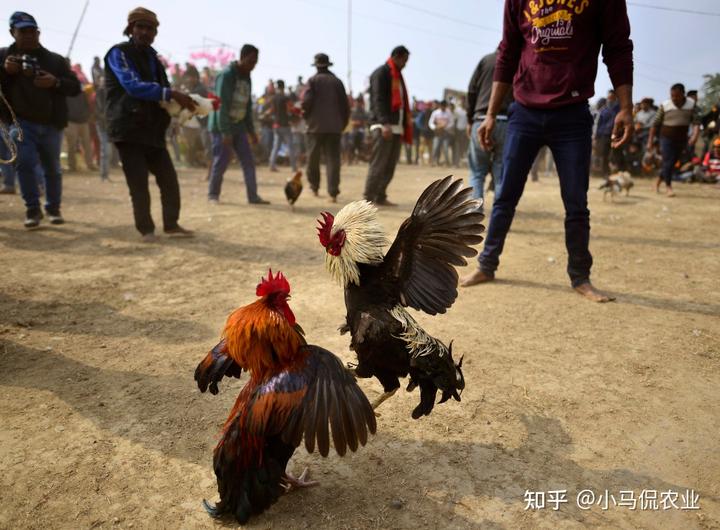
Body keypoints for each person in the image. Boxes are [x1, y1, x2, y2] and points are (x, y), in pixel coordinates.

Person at [461, 0, 634, 303]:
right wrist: (490, 113)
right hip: (524, 113)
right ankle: (486, 265)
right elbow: (509, 50)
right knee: (505, 197)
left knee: (576, 203)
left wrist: (626, 107)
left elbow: (618, 48)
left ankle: (580, 277)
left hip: (572, 114)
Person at [105, 7, 196, 241]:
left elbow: (164, 94)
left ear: (155, 33)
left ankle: (171, 225)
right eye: (140, 27)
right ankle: (146, 230)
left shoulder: (154, 59)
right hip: (127, 128)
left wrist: (180, 107)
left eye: (150, 28)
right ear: (131, 29)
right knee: (139, 184)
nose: (145, 32)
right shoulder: (118, 53)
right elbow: (132, 86)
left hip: (152, 130)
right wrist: (171, 94)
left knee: (169, 180)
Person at [0, 11, 81, 228]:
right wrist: (5, 71)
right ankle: (32, 209)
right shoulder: (3, 56)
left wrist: (55, 82)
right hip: (20, 123)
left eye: (31, 31)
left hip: (51, 124)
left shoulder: (55, 60)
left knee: (52, 168)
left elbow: (75, 87)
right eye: (22, 31)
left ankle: (53, 208)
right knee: (24, 164)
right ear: (12, 32)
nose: (28, 35)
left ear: (38, 32)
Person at [207, 44, 269, 204]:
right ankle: (213, 195)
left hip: (239, 126)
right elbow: (222, 105)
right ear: (242, 57)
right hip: (221, 127)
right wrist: (225, 132)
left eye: (255, 62)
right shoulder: (226, 75)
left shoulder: (247, 77)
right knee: (221, 161)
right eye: (250, 61)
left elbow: (247, 107)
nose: (253, 65)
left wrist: (252, 132)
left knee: (248, 161)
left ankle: (253, 197)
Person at [363, 45, 412, 206]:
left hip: (396, 127)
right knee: (379, 163)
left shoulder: (398, 76)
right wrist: (384, 123)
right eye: (404, 60)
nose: (405, 64)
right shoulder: (381, 73)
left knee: (390, 165)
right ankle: (368, 198)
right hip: (383, 126)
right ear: (397, 57)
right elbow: (378, 100)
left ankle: (380, 195)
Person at [466, 47, 513, 205]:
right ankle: (499, 217)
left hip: (480, 119)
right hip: (506, 122)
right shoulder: (518, 62)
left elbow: (471, 91)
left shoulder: (486, 60)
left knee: (477, 173)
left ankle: (474, 215)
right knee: (501, 173)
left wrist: (469, 119)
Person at [301, 53, 349, 202]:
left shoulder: (312, 81)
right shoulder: (337, 82)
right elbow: (345, 106)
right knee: (333, 160)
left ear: (316, 66)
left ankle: (314, 187)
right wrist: (342, 123)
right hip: (335, 127)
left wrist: (306, 115)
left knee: (313, 158)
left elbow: (306, 102)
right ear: (328, 65)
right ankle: (333, 192)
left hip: (315, 127)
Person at [647, 83, 700, 197]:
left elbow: (696, 122)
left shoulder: (691, 105)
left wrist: (695, 136)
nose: (674, 99)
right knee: (669, 161)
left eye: (676, 96)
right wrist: (650, 141)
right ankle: (668, 187)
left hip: (681, 138)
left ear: (683, 94)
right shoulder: (665, 105)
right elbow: (655, 125)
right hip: (666, 138)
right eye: (672, 96)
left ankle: (657, 183)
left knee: (671, 162)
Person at [269, 79, 297, 172]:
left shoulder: (274, 98)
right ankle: (294, 167)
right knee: (290, 146)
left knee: (276, 147)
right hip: (285, 125)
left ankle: (272, 165)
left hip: (276, 125)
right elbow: (290, 109)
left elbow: (271, 111)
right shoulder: (285, 98)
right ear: (284, 86)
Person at [429, 100, 454, 166]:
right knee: (435, 147)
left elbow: (452, 122)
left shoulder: (449, 113)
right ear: (440, 106)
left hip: (445, 133)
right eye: (442, 106)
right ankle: (433, 162)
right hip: (437, 133)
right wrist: (435, 127)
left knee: (445, 148)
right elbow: (430, 122)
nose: (443, 107)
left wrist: (444, 127)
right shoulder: (435, 113)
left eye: (444, 106)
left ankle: (447, 162)